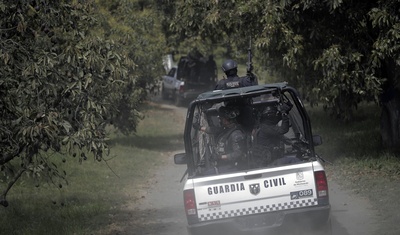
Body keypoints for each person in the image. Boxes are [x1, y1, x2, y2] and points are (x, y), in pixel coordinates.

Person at [193, 105, 247, 174]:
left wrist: (220, 157)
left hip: (231, 168)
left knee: (204, 175)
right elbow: (214, 130)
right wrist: (199, 127)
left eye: (222, 118)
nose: (220, 119)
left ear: (228, 119)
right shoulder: (226, 129)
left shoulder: (236, 134)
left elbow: (238, 153)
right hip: (223, 166)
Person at [251, 101, 296, 166]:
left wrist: (293, 143)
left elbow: (282, 137)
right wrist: (284, 114)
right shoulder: (267, 128)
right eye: (275, 114)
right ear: (270, 116)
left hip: (269, 161)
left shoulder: (264, 127)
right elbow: (283, 130)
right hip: (270, 163)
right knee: (295, 160)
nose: (276, 116)